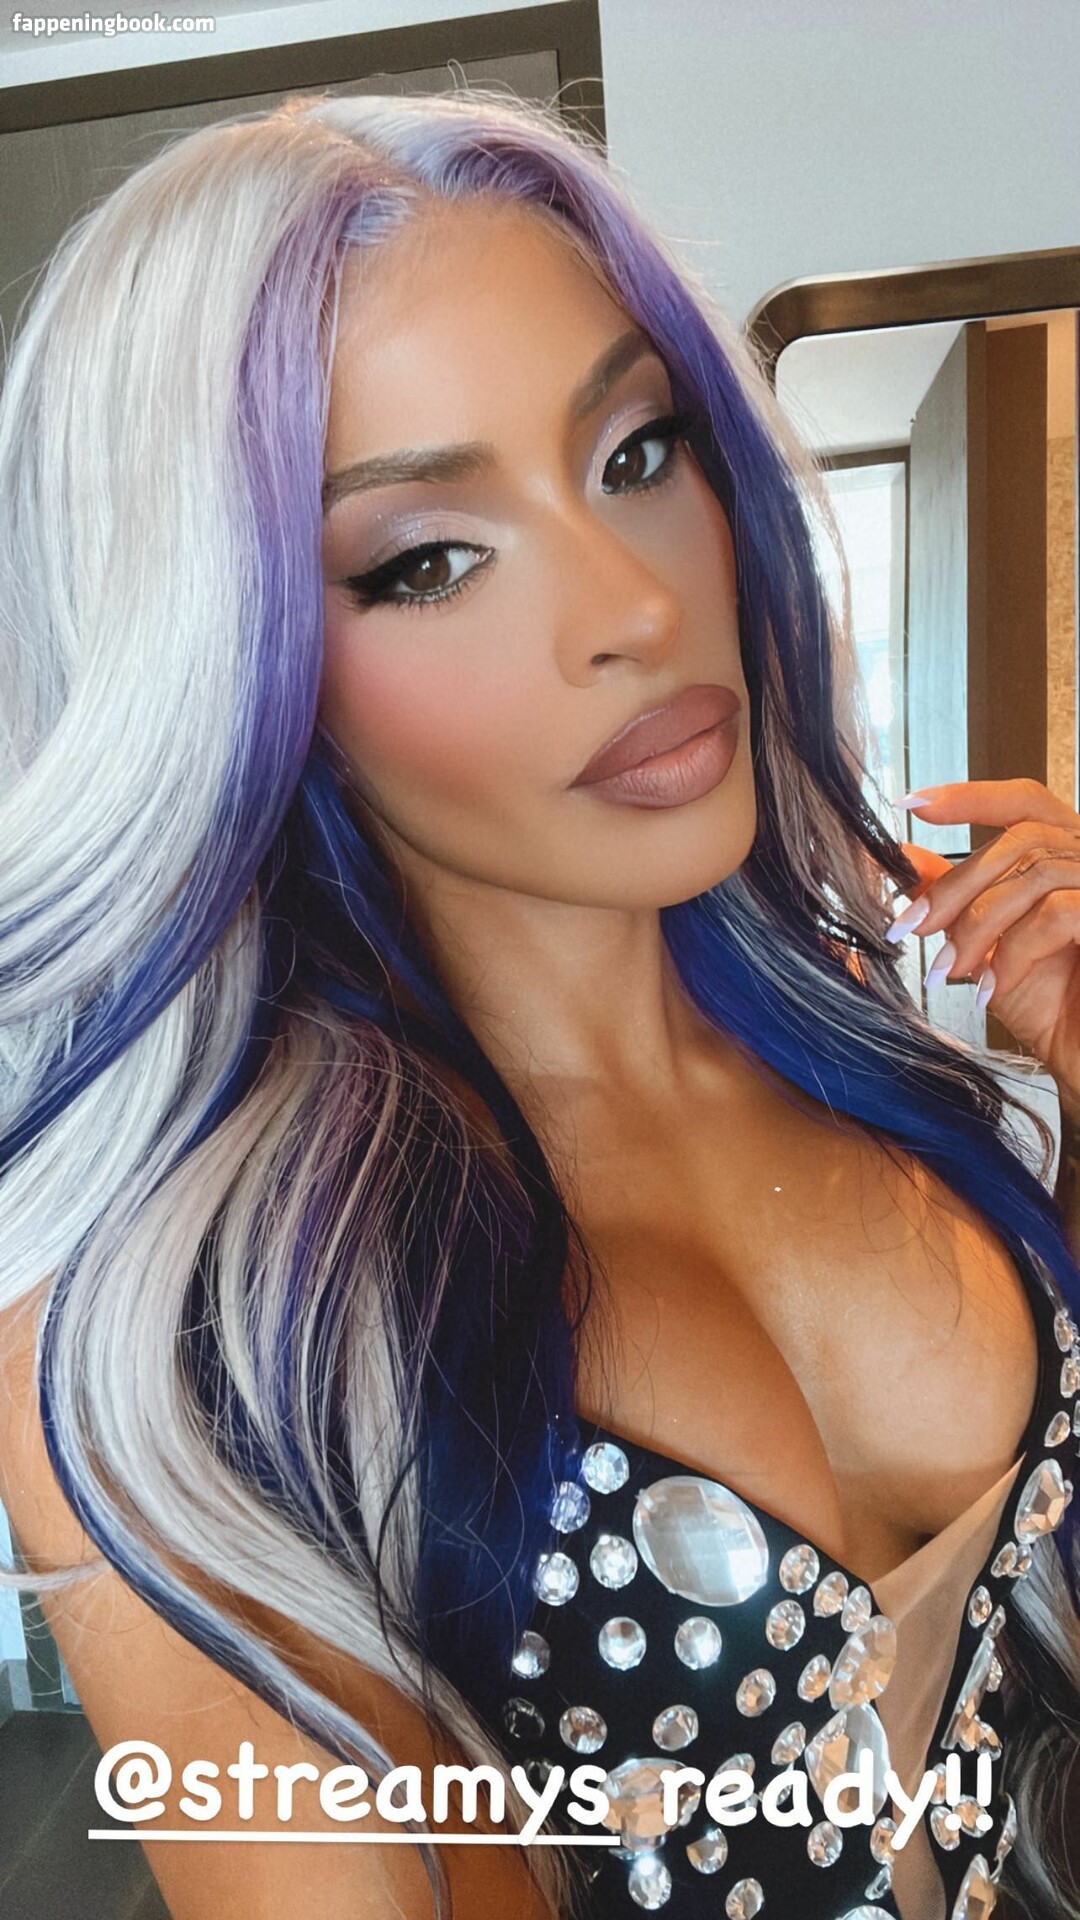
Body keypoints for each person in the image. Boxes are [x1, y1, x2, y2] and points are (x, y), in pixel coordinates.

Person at [0, 83, 1078, 1920]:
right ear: (229, 666)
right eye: (425, 560)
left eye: (638, 454)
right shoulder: (183, 1326)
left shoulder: (863, 1047)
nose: (632, 610)